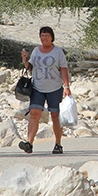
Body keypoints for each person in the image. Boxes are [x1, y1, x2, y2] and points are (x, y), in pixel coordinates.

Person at [19, 26, 71, 154]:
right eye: (42, 35)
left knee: (55, 116)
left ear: (52, 37)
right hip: (38, 88)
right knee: (34, 114)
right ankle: (29, 143)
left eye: (47, 35)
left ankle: (58, 144)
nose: (44, 38)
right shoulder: (36, 51)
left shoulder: (58, 52)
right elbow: (30, 68)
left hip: (54, 88)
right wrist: (25, 59)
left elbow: (63, 69)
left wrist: (67, 86)